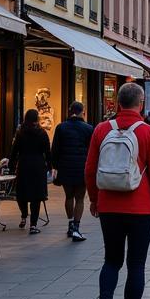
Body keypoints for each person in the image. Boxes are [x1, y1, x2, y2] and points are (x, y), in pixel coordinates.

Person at [86, 81, 150, 299]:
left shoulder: (101, 129)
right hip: (142, 209)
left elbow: (90, 169)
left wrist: (95, 199)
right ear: (141, 103)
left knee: (111, 261)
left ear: (117, 103)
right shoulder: (148, 132)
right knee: (136, 264)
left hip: (109, 206)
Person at [51, 101, 94, 241]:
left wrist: (55, 166)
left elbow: (55, 149)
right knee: (80, 198)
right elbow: (92, 151)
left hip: (65, 167)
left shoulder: (61, 127)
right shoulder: (88, 129)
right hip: (82, 167)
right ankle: (76, 227)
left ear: (70, 112)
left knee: (68, 196)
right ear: (83, 112)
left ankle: (70, 224)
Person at [10, 109, 51, 233]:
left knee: (22, 193)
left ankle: (23, 216)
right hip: (38, 166)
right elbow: (47, 152)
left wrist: (11, 166)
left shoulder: (20, 133)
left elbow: (14, 151)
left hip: (24, 165)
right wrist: (50, 166)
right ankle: (33, 224)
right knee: (36, 196)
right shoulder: (42, 133)